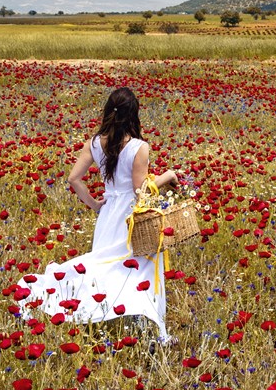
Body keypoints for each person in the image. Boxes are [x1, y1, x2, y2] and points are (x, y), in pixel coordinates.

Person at [17, 87, 177, 340]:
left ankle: (98, 312)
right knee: (136, 267)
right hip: (130, 217)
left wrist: (94, 204)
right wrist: (169, 176)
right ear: (133, 115)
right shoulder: (139, 147)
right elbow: (140, 191)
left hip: (108, 214)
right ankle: (150, 325)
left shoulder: (94, 142)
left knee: (104, 266)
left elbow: (73, 179)